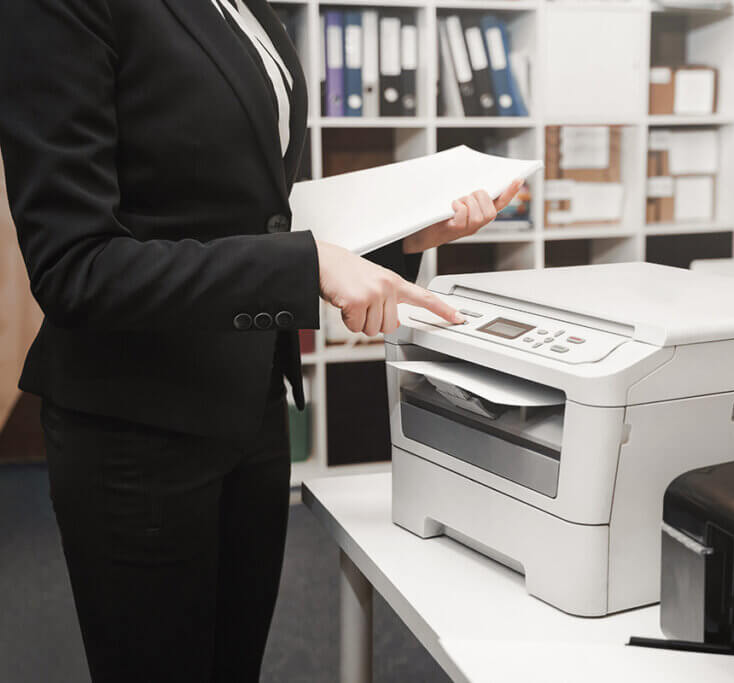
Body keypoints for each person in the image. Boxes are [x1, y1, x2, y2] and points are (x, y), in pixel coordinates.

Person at [0, 0, 520, 680]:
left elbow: (247, 207)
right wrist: (305, 266)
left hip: (250, 404)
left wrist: (404, 237)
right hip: (136, 429)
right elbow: (76, 267)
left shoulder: (243, 7)